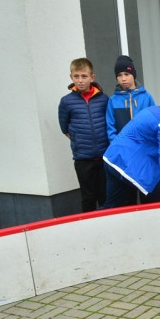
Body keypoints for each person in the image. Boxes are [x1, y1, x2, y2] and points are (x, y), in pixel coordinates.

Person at [58, 57, 109, 212]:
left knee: (105, 195)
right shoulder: (66, 101)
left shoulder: (103, 99)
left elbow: (109, 122)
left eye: (84, 76)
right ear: (71, 77)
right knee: (88, 197)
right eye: (76, 76)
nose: (80, 80)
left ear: (92, 77)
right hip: (83, 159)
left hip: (104, 156)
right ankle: (89, 225)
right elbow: (64, 128)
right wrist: (79, 141)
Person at [106, 55, 156, 143]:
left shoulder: (146, 97)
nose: (123, 78)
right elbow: (111, 127)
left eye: (127, 74)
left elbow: (154, 122)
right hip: (123, 146)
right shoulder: (113, 100)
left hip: (144, 145)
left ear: (133, 75)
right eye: (119, 75)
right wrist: (117, 144)